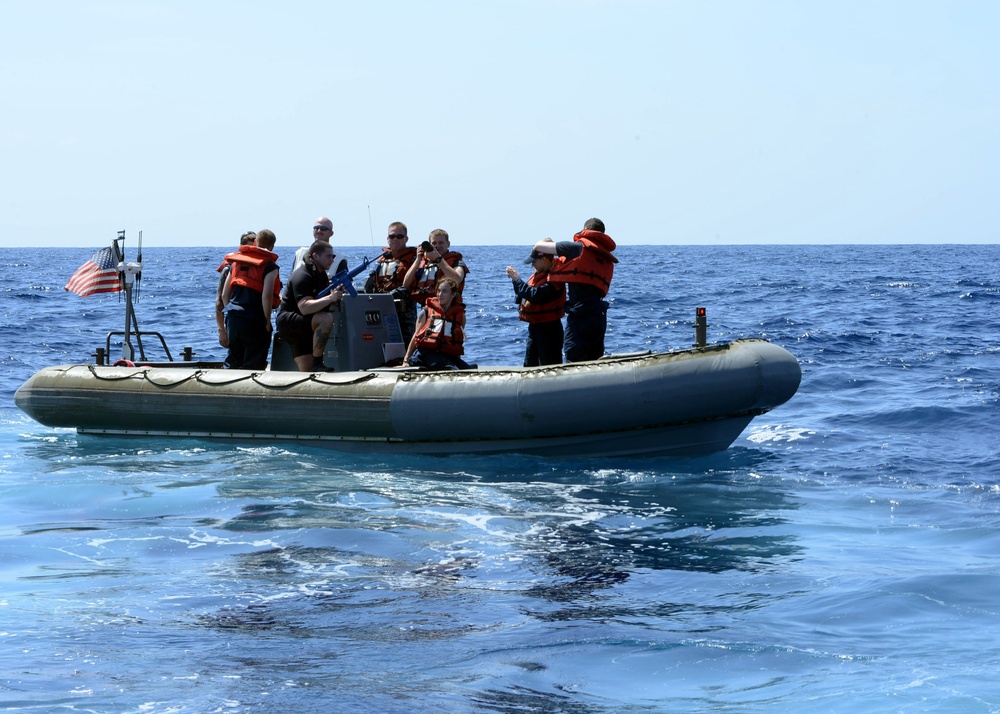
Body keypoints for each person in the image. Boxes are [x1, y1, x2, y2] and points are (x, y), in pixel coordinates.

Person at [547, 217, 618, 362]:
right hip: (599, 314)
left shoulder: (578, 248)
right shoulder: (604, 256)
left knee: (574, 354)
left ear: (585, 230)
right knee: (595, 357)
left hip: (580, 314)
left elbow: (540, 247)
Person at [276, 240, 346, 372]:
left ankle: (312, 370)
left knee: (306, 371)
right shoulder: (302, 275)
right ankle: (318, 363)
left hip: (305, 321)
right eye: (329, 256)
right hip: (290, 321)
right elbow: (304, 307)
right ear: (315, 256)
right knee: (326, 319)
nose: (332, 260)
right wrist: (330, 298)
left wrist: (334, 298)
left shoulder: (321, 275)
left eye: (333, 256)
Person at [219, 230, 281, 370]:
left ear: (255, 243)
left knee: (233, 360)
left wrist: (231, 314)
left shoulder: (236, 263)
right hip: (254, 319)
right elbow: (266, 296)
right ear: (272, 247)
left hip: (234, 318)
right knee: (254, 362)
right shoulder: (270, 267)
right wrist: (266, 321)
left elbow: (224, 295)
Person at [505, 239, 566, 367]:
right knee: (530, 365)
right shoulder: (539, 275)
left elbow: (535, 295)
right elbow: (524, 293)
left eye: (534, 261)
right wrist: (515, 281)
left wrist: (517, 279)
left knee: (549, 367)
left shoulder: (554, 281)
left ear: (544, 260)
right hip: (535, 328)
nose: (532, 265)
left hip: (549, 330)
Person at [363, 220, 418, 345]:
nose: (395, 240)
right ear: (388, 239)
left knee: (404, 341)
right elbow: (370, 282)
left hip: (403, 310)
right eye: (392, 236)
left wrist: (390, 296)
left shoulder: (413, 259)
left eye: (399, 236)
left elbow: (410, 285)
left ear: (406, 239)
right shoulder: (382, 260)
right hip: (381, 307)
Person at [402, 277, 471, 370]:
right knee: (451, 369)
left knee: (467, 369)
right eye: (438, 291)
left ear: (453, 294)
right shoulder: (426, 312)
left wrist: (457, 361)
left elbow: (457, 339)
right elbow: (415, 336)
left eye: (444, 291)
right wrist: (406, 360)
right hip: (425, 354)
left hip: (447, 355)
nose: (440, 294)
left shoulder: (460, 316)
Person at [403, 228, 469, 306]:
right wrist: (418, 259)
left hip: (448, 309)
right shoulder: (424, 263)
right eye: (434, 243)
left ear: (448, 244)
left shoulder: (456, 262)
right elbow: (405, 285)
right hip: (427, 309)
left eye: (441, 243)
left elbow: (457, 280)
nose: (437, 246)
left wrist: (438, 259)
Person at [215, 231, 257, 348]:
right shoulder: (229, 269)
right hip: (234, 320)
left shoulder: (259, 268)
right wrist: (221, 331)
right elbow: (219, 301)